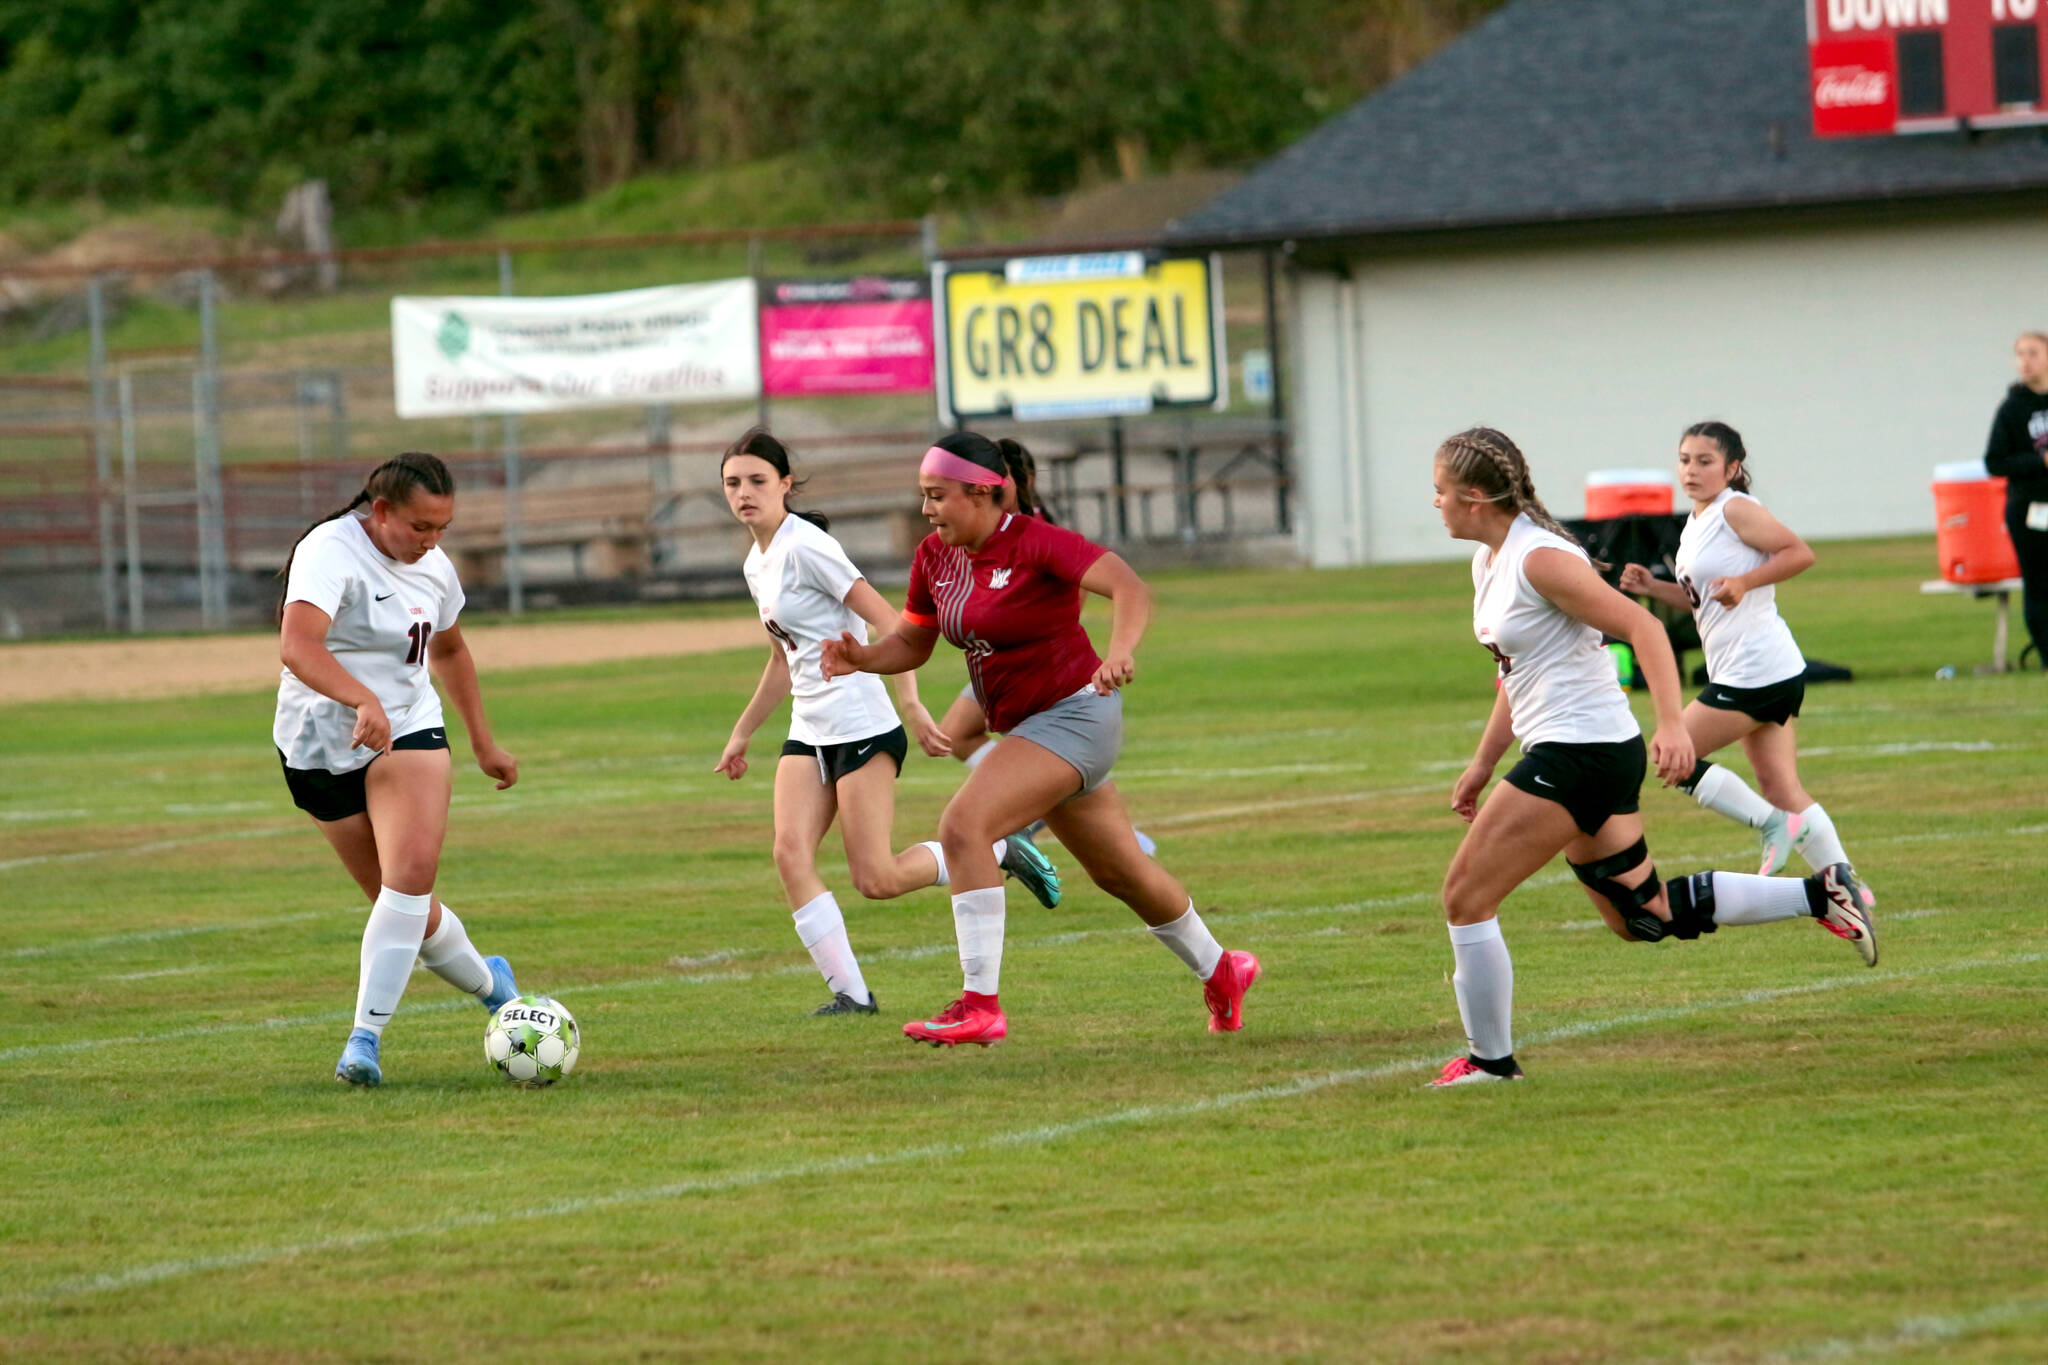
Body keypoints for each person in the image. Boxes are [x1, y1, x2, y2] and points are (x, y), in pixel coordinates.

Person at [1431, 427, 1875, 1088]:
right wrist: (1481, 760)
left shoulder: (1539, 558)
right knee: (1643, 916)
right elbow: (1515, 672)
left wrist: (1671, 722)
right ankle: (1821, 893)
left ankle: (1492, 1062)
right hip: (1585, 750)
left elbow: (1640, 627)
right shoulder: (1489, 561)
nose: (1434, 503)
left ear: (1472, 496)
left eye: (1440, 491)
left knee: (1465, 897)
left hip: (1579, 752)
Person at [821, 431, 1259, 1047]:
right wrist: (862, 657)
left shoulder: (1036, 542)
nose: (926, 509)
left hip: (1077, 716)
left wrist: (1120, 652)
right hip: (1028, 728)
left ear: (983, 492)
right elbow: (913, 644)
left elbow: (1129, 586)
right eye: (923, 496)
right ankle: (1223, 970)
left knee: (964, 827)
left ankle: (980, 1007)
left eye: (937, 495)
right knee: (1122, 873)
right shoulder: (934, 557)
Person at [713, 429, 1062, 1018]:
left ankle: (999, 852)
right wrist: (743, 731)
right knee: (789, 853)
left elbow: (894, 625)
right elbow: (783, 655)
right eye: (732, 484)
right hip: (810, 728)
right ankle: (851, 995)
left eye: (757, 481)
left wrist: (912, 704)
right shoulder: (758, 561)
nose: (744, 493)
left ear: (785, 485)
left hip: (862, 725)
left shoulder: (807, 546)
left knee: (876, 878)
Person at [274, 452, 523, 1087]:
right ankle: (492, 982)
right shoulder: (328, 551)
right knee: (400, 904)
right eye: (420, 527)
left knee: (409, 880)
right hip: (316, 747)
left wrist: (483, 742)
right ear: (380, 512)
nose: (432, 541)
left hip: (407, 727)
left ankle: (364, 1040)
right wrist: (360, 698)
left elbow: (450, 648)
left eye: (443, 527)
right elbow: (297, 645)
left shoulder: (433, 568)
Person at [1618, 421, 1860, 882]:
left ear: (1731, 468)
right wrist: (1653, 587)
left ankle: (1773, 827)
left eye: (1705, 461)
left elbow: (1799, 552)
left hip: (1756, 670)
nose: (1691, 470)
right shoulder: (1697, 521)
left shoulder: (1736, 510)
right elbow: (1702, 601)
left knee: (1672, 754)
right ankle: (1847, 885)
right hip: (1760, 670)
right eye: (1685, 459)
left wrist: (1747, 582)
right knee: (1781, 786)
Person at [925, 446, 1159, 857]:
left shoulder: (1035, 532)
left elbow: (1113, 583)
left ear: (1014, 483)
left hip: (1045, 674)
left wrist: (1113, 649)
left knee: (967, 820)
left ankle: (1020, 816)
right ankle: (1025, 808)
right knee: (959, 734)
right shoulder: (959, 540)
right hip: (995, 665)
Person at [1981, 330, 2048, 668]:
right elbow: (1994, 462)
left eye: (2033, 352)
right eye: (2020, 354)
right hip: (2030, 509)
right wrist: (2040, 461)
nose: (2026, 360)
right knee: (2038, 584)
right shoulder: (2012, 407)